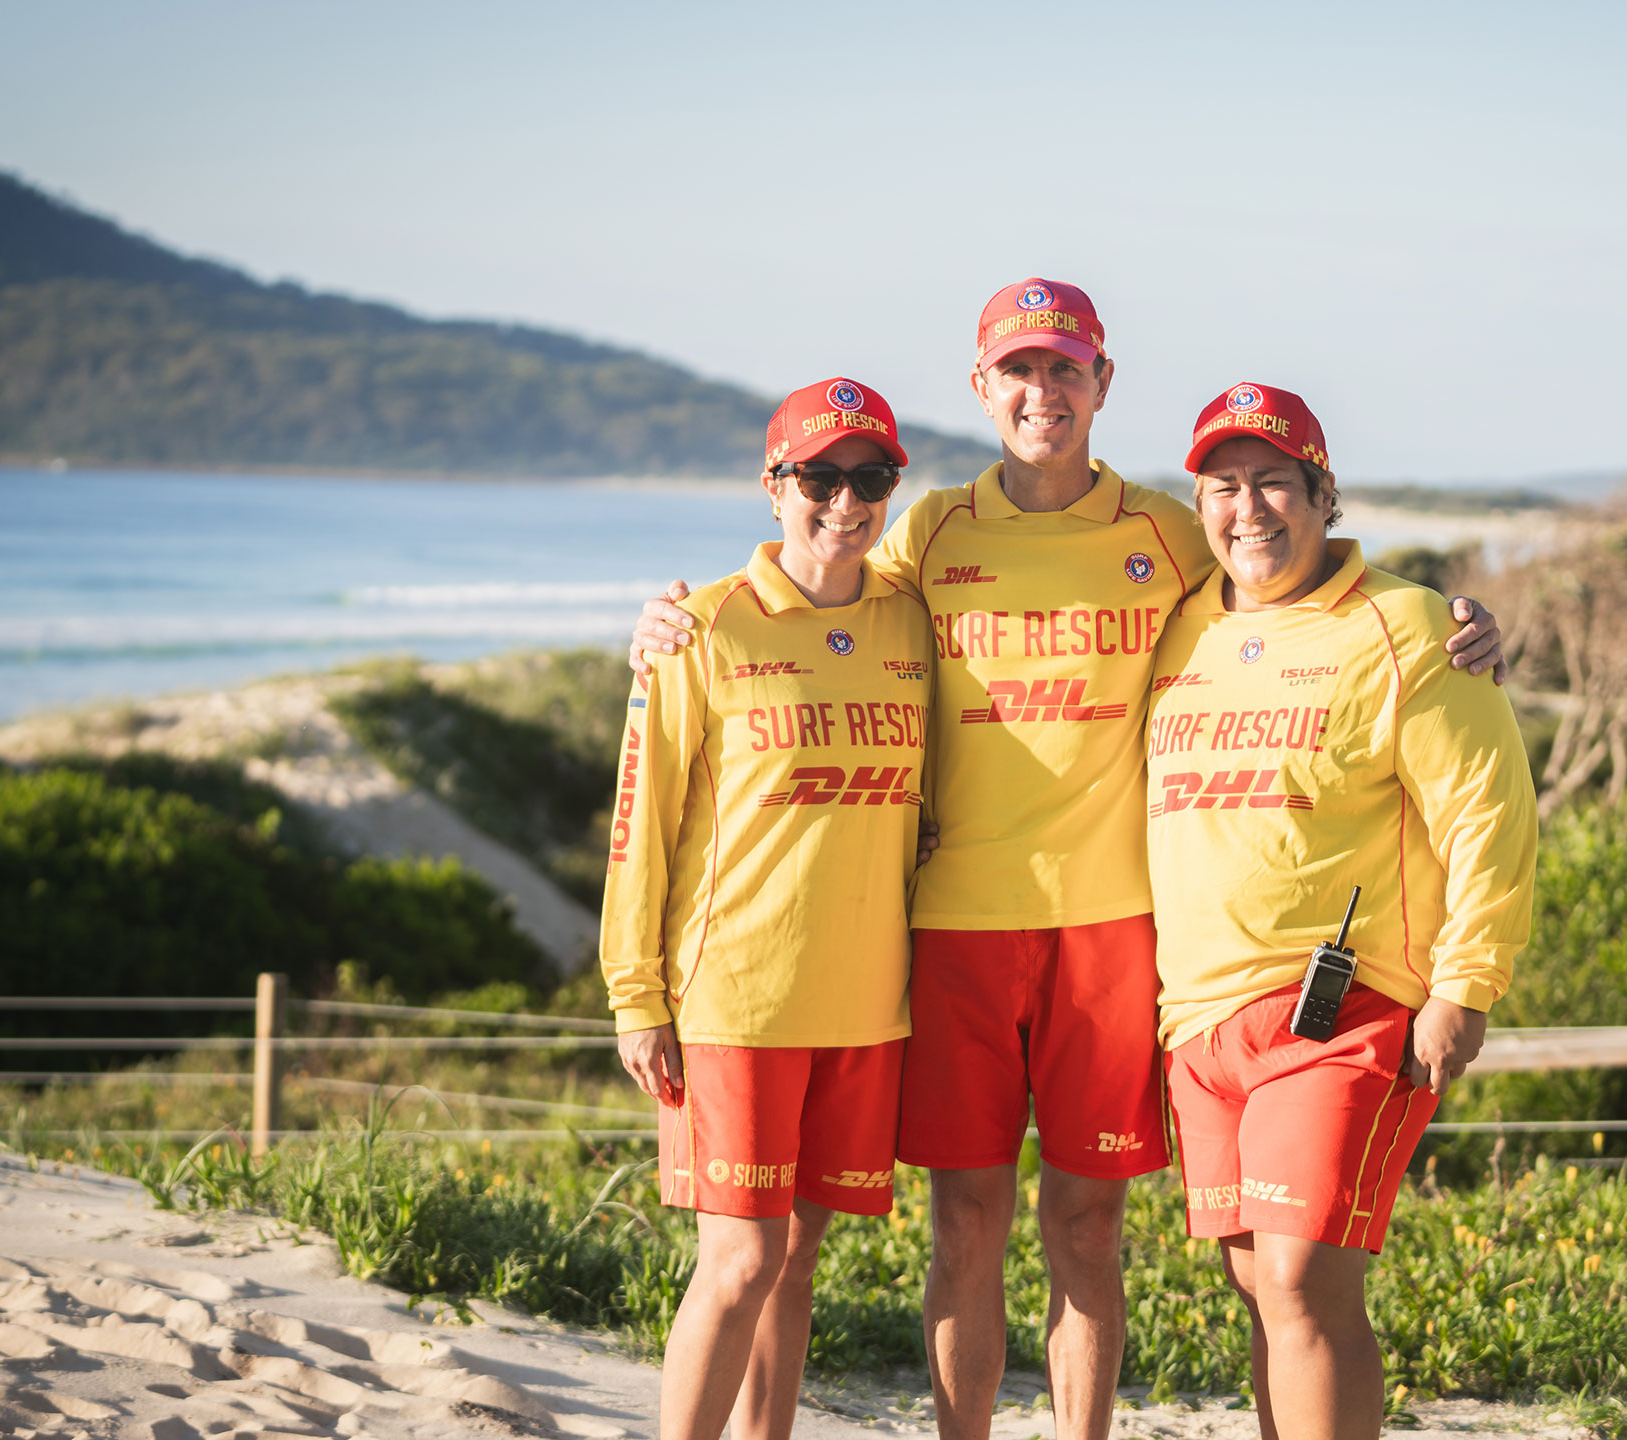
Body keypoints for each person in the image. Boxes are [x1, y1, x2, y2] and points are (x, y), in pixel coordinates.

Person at [630, 281, 1510, 1440]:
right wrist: (673, 623)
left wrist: (1457, 624)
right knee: (965, 1226)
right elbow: (815, 599)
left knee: (1088, 1229)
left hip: (1113, 931)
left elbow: (1286, 585)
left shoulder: (1167, 533)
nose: (1041, 390)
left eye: (1063, 368)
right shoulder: (929, 530)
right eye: (1018, 369)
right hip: (955, 927)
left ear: (1102, 383)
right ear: (981, 386)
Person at [1144, 382, 1537, 1440]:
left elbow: (1488, 814)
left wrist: (1466, 987)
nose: (1249, 509)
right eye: (1224, 487)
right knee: (1259, 1289)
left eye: (1274, 482)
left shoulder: (1410, 627)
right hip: (1198, 1026)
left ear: (1324, 494)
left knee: (1303, 1280)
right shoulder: (1175, 631)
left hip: (1343, 1012)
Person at [604, 377, 933, 1440]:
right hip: (734, 1000)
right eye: (819, 478)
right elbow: (640, 823)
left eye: (870, 478)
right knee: (741, 1259)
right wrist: (634, 996)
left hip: (865, 1006)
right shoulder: (699, 630)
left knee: (795, 1261)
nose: (845, 501)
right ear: (773, 486)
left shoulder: (915, 622)